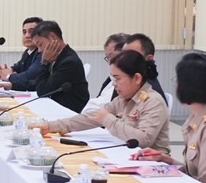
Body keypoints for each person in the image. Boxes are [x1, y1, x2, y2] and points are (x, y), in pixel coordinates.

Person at [135, 52, 206, 183]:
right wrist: (165, 159)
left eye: (178, 80)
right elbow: (193, 172)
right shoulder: (196, 117)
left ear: (189, 85)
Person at [40, 48, 168, 149]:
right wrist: (51, 126)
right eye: (112, 79)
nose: (114, 84)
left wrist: (108, 119)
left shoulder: (153, 101)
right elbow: (89, 118)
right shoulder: (122, 99)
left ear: (137, 78)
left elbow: (144, 140)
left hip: (152, 165)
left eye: (117, 79)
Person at [24, 20, 91, 113]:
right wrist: (13, 85)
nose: (39, 50)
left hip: (70, 112)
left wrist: (44, 63)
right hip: (57, 107)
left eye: (40, 45)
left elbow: (43, 91)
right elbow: (39, 82)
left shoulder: (69, 62)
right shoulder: (57, 56)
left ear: (52, 37)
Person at [0, 17, 44, 86]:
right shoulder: (28, 51)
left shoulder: (43, 53)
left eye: (31, 32)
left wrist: (8, 76)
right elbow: (18, 67)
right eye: (24, 32)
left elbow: (30, 75)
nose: (27, 36)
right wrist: (9, 70)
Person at [122, 32, 166, 101]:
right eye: (123, 55)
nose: (124, 60)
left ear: (149, 59)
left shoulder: (152, 95)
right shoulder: (124, 81)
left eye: (131, 56)